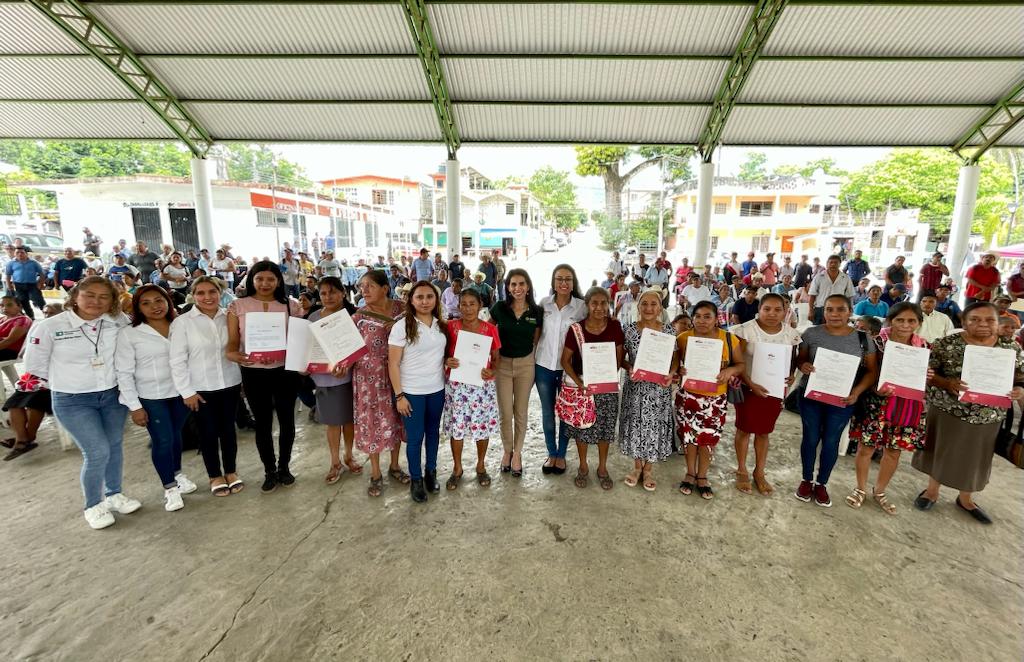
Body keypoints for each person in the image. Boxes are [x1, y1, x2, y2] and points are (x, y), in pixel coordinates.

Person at [24, 277, 141, 529]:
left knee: (114, 446)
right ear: (75, 295)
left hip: (111, 396)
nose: (95, 301)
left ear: (112, 301)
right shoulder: (50, 326)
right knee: (97, 451)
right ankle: (93, 505)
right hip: (72, 399)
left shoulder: (117, 321)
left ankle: (114, 494)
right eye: (89, 294)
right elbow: (35, 366)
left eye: (104, 297)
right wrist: (68, 380)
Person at [913, 303, 1024, 524]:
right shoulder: (947, 344)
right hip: (948, 409)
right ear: (964, 322)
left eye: (989, 320)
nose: (983, 324)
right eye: (975, 319)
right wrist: (947, 382)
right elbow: (929, 373)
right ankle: (931, 492)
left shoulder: (1011, 348)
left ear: (997, 323)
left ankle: (966, 499)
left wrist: (1020, 389)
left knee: (976, 458)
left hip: (989, 414)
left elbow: (1020, 376)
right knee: (941, 451)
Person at [116, 285, 197, 512]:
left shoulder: (180, 325)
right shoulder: (130, 333)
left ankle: (178, 474)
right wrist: (134, 406)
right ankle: (170, 488)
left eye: (159, 300)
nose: (155, 307)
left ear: (168, 301)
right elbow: (124, 372)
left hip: (182, 393)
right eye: (146, 303)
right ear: (137, 308)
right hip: (152, 396)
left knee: (176, 435)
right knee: (162, 440)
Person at [794, 294, 878, 508]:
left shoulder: (863, 339)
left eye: (840, 309)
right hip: (811, 395)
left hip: (843, 399)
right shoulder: (811, 333)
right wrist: (803, 365)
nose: (834, 314)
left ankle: (821, 483)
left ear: (850, 312)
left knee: (831, 441)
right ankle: (806, 479)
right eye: (830, 309)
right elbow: (800, 358)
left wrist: (856, 392)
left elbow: (871, 372)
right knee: (810, 438)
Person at [226, 261, 303, 493]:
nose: (265, 283)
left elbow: (299, 340)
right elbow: (232, 343)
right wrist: (236, 355)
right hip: (253, 372)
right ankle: (269, 470)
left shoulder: (291, 306)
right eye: (260, 278)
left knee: (287, 420)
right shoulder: (238, 306)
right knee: (263, 423)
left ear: (278, 281)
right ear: (252, 279)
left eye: (270, 279)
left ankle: (285, 467)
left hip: (285, 371)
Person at [845, 303, 929, 515]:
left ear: (919, 323)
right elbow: (864, 370)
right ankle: (860, 488)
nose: (905, 325)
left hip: (907, 405)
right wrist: (874, 388)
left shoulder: (925, 347)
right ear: (890, 320)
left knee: (894, 451)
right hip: (876, 403)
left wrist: (928, 376)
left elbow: (928, 377)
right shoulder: (876, 343)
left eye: (912, 321)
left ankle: (880, 491)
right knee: (866, 448)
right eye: (900, 320)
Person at [169, 276, 243, 497]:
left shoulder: (230, 317)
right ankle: (214, 475)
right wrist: (187, 392)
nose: (207, 297)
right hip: (200, 389)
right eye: (201, 293)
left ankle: (230, 471)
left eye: (212, 291)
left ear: (220, 292)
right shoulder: (183, 322)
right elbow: (177, 360)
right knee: (208, 434)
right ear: (193, 295)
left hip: (230, 383)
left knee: (228, 431)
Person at [730, 294, 801, 496]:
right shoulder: (745, 330)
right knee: (744, 429)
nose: (772, 314)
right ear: (758, 310)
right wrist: (751, 384)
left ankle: (759, 472)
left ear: (785, 311)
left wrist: (791, 376)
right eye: (767, 309)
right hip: (747, 387)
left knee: (764, 431)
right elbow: (738, 361)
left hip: (774, 390)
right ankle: (742, 469)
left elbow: (793, 359)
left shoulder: (791, 334)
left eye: (777, 309)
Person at [675, 301, 744, 499]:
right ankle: (690, 473)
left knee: (708, 438)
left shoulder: (729, 339)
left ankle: (703, 476)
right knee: (688, 437)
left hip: (715, 399)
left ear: (716, 319)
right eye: (698, 316)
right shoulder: (683, 339)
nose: (702, 321)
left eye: (708, 316)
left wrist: (730, 370)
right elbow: (673, 364)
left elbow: (740, 364)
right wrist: (679, 370)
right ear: (692, 318)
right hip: (688, 396)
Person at [350, 270, 409, 497]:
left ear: (385, 288)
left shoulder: (402, 310)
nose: (364, 290)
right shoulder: (358, 317)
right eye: (362, 286)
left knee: (397, 419)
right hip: (367, 381)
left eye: (370, 286)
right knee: (372, 423)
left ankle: (394, 466)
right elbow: (347, 351)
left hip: (397, 375)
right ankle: (375, 473)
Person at [388, 281, 448, 503]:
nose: (425, 301)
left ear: (436, 300)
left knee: (433, 434)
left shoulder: (441, 325)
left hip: (437, 390)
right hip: (411, 392)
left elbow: (442, 355)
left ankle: (430, 473)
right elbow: (393, 364)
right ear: (411, 300)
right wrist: (399, 396)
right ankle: (416, 480)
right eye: (419, 297)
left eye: (429, 297)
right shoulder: (401, 326)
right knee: (415, 438)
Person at [561, 287, 624, 491]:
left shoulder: (615, 327)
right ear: (587, 305)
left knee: (605, 429)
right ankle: (583, 466)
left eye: (604, 303)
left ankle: (603, 468)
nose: (599, 307)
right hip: (583, 386)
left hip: (607, 387)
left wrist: (604, 378)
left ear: (609, 304)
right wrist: (579, 383)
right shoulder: (576, 329)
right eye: (594, 303)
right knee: (582, 428)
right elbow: (565, 360)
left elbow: (619, 358)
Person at [442, 288, 501, 490]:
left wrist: (492, 371)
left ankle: (481, 466)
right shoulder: (450, 327)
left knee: (481, 426)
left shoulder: (489, 329)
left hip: (481, 386)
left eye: (472, 304)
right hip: (457, 387)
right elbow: (439, 352)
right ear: (458, 306)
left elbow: (496, 357)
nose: (468, 308)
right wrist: (446, 361)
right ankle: (457, 468)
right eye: (464, 304)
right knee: (457, 429)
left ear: (480, 306)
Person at [619, 289, 677, 491]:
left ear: (660, 308)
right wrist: (629, 368)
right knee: (636, 424)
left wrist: (672, 371)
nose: (649, 308)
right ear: (638, 306)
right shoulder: (629, 330)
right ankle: (636, 467)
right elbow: (620, 358)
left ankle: (649, 469)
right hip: (636, 386)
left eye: (654, 304)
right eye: (645, 304)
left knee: (654, 425)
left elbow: (675, 356)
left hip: (659, 388)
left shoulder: (669, 331)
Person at [307, 278, 362, 484]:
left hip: (349, 378)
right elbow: (308, 347)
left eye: (333, 292)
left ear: (343, 293)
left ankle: (349, 455)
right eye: (323, 293)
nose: (328, 297)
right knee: (332, 423)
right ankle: (334, 461)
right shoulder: (312, 317)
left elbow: (359, 348)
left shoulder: (353, 316)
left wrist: (348, 364)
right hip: (323, 378)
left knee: (349, 421)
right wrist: (304, 367)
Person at [534, 265, 586, 475]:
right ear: (553, 282)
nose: (563, 283)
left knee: (565, 413)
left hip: (569, 370)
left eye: (568, 279)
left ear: (573, 283)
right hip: (544, 366)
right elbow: (536, 333)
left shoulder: (581, 307)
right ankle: (551, 453)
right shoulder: (543, 304)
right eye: (559, 279)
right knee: (547, 412)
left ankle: (562, 454)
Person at [490, 269, 541, 477]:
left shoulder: (536, 312)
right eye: (513, 284)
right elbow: (487, 333)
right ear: (508, 287)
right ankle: (507, 451)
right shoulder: (499, 308)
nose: (517, 288)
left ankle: (517, 453)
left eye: (521, 284)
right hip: (502, 365)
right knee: (505, 413)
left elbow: (535, 340)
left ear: (528, 286)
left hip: (526, 365)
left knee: (520, 412)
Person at [807, 255, 854, 324]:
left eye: (836, 263)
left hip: (839, 310)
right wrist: (810, 311)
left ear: (839, 264)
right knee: (819, 332)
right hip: (820, 309)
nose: (833, 265)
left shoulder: (846, 278)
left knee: (836, 332)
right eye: (831, 262)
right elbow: (812, 295)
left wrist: (850, 311)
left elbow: (850, 296)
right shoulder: (818, 277)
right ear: (827, 264)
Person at [5, 247, 46, 320]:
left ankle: (48, 313)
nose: (20, 254)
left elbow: (42, 274)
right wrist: (9, 285)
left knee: (38, 300)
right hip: (18, 285)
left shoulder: (33, 262)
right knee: (23, 301)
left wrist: (41, 284)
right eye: (17, 252)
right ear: (15, 254)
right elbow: (8, 275)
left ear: (26, 254)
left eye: (22, 252)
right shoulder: (11, 263)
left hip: (32, 285)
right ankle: (31, 317)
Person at [0, 295, 31, 362]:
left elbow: (8, 341)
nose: (4, 308)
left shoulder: (23, 320)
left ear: (19, 306)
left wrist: (3, 338)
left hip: (11, 351)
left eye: (9, 305)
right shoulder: (2, 319)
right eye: (2, 305)